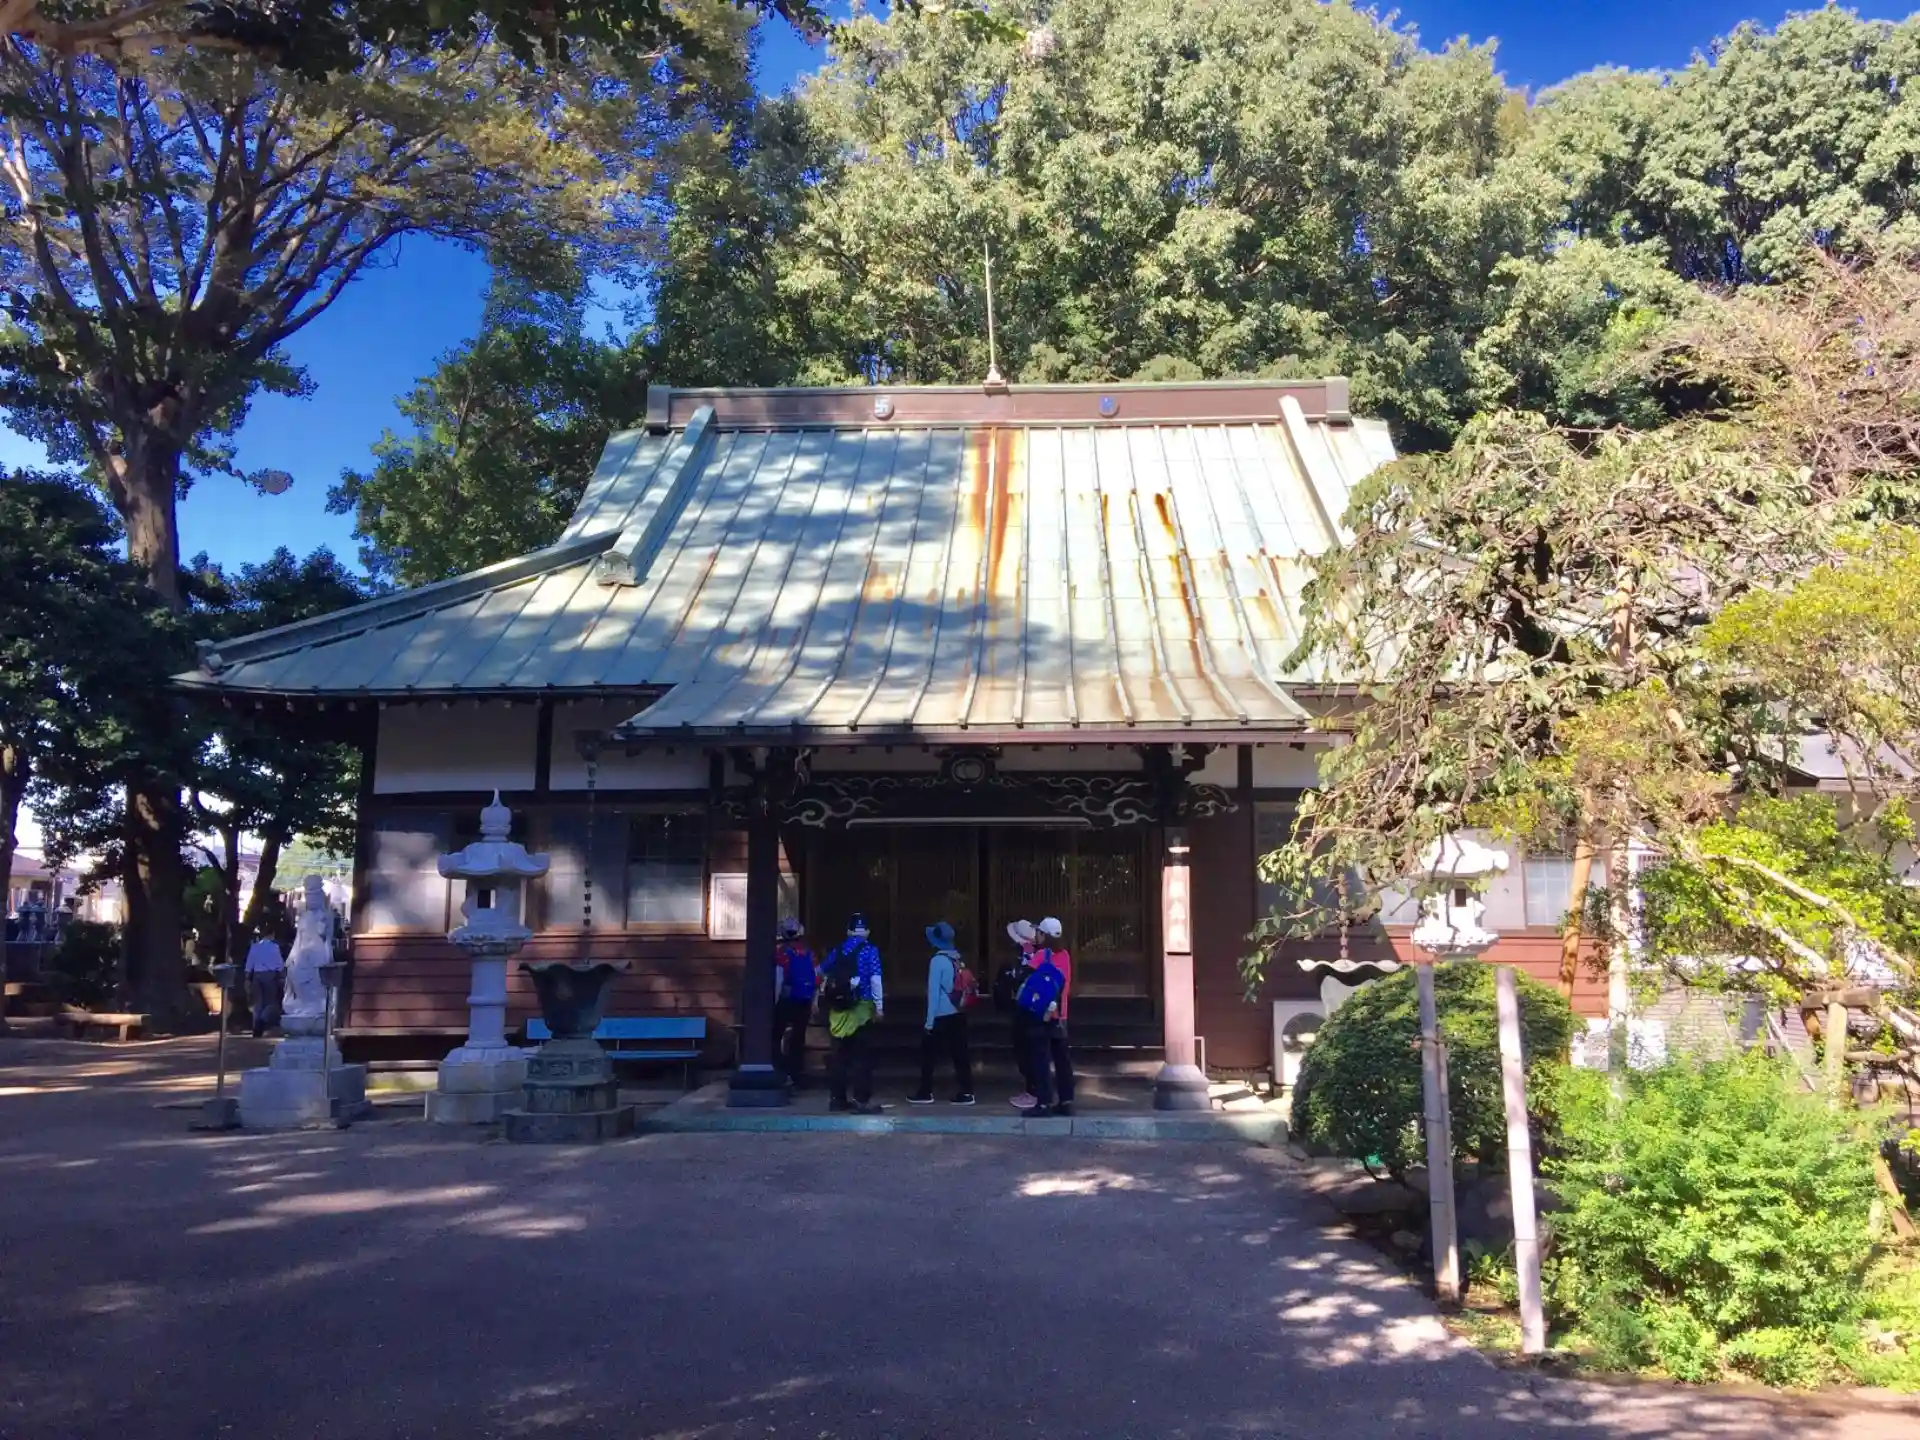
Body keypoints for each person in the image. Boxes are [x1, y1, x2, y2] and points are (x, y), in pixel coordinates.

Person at [819, 913, 884, 1114]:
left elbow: (819, 971)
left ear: (848, 931)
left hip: (838, 1011)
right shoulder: (870, 951)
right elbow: (875, 980)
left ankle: (837, 1099)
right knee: (862, 1057)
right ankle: (860, 1101)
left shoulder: (838, 950)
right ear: (867, 932)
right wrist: (879, 1006)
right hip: (861, 1009)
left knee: (839, 1057)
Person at [909, 920, 975, 1105]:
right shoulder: (957, 959)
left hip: (941, 1015)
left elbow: (933, 993)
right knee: (960, 1055)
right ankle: (967, 1092)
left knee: (928, 1056)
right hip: (959, 1011)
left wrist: (929, 1022)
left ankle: (925, 1091)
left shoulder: (937, 961)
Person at [1021, 916, 1076, 1117]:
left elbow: (1025, 977)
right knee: (1062, 1060)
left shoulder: (1041, 956)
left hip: (1042, 1015)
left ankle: (1043, 1103)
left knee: (1041, 1059)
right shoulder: (1066, 956)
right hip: (1061, 1014)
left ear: (1044, 935)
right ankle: (1066, 1101)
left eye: (1039, 932)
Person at [771, 916, 817, 1089]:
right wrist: (814, 1001)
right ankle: (796, 1075)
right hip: (805, 1000)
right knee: (798, 1038)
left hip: (786, 1000)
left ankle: (781, 1072)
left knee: (775, 1036)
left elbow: (779, 979)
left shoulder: (782, 953)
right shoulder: (808, 953)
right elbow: (816, 978)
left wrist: (775, 1000)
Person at [999, 919, 1040, 1109]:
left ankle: (1034, 1092)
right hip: (1020, 1009)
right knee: (1022, 1051)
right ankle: (1030, 1089)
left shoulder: (1037, 958)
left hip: (1032, 1010)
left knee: (1031, 1052)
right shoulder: (1018, 958)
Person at [242, 925, 285, 1037]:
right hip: (270, 975)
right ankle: (262, 1021)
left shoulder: (255, 947)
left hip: (257, 975)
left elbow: (249, 963)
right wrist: (282, 975)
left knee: (258, 1002)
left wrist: (247, 977)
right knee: (270, 1001)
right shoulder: (275, 947)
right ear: (272, 934)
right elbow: (279, 963)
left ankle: (256, 1024)